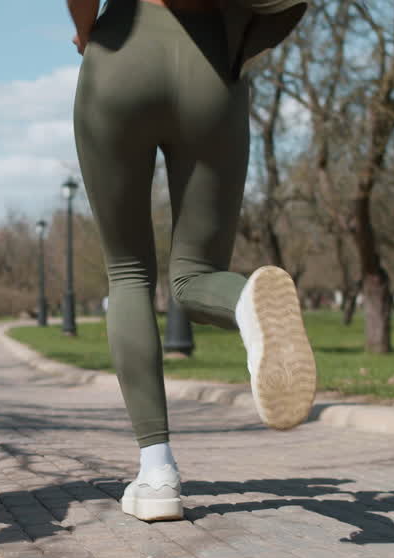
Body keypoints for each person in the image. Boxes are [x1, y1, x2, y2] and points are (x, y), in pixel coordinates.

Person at [68, 0, 314, 522]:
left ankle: (157, 473)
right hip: (213, 65)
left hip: (121, 53)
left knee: (129, 272)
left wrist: (87, 32)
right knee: (196, 276)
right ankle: (247, 302)